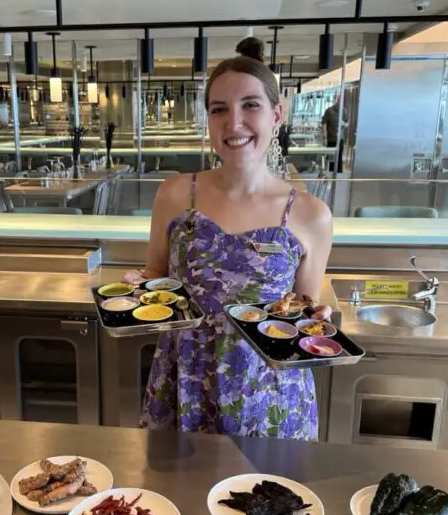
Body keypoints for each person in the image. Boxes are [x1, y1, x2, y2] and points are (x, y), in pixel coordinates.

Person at [137, 37, 334, 439]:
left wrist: (318, 318)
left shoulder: (311, 213)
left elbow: (300, 308)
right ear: (208, 120)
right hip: (184, 383)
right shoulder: (174, 194)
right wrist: (139, 288)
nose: (234, 123)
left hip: (269, 393)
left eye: (251, 105)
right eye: (219, 109)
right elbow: (155, 276)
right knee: (180, 497)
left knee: (268, 496)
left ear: (277, 115)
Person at [321, 95, 347, 172]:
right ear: (336, 100)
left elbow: (347, 123)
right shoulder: (329, 110)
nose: (340, 102)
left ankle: (339, 176)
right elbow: (324, 123)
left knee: (339, 159)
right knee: (332, 159)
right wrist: (324, 137)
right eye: (339, 100)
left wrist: (345, 124)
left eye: (342, 100)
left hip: (340, 139)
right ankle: (331, 175)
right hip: (331, 139)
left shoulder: (343, 111)